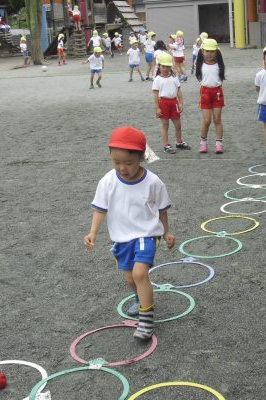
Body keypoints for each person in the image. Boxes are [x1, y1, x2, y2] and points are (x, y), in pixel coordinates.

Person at [84, 126, 175, 341]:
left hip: (147, 234)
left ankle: (146, 322)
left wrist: (167, 232)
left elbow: (162, 209)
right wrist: (92, 233)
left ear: (141, 158)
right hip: (121, 238)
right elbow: (100, 209)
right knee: (129, 278)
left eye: (128, 162)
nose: (122, 168)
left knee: (139, 274)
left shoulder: (153, 182)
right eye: (116, 162)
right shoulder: (107, 181)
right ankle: (140, 298)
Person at [152, 53, 191, 154]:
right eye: (163, 66)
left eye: (167, 66)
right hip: (163, 103)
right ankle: (166, 145)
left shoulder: (174, 77)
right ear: (159, 66)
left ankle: (179, 142)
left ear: (171, 66)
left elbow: (178, 90)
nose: (165, 68)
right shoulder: (157, 79)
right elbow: (155, 95)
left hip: (174, 102)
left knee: (178, 125)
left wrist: (181, 103)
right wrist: (157, 108)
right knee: (165, 125)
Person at [194, 38, 226, 154]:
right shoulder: (200, 64)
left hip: (217, 92)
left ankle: (219, 143)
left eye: (212, 51)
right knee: (207, 120)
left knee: (217, 119)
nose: (209, 54)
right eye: (207, 51)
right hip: (205, 92)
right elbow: (200, 77)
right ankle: (203, 142)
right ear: (202, 51)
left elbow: (220, 78)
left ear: (216, 52)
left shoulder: (219, 65)